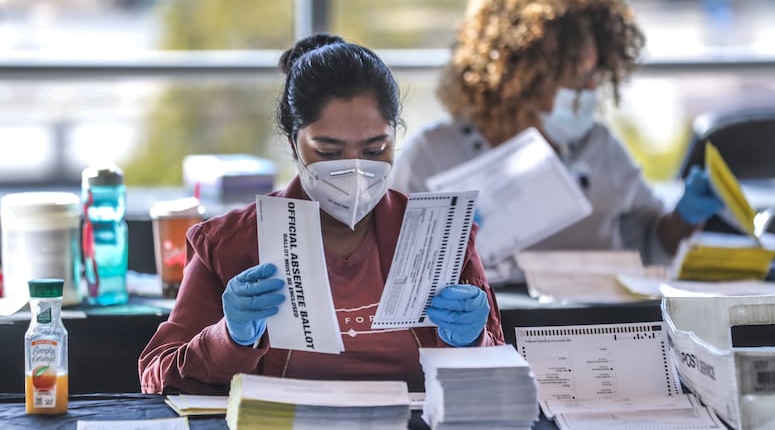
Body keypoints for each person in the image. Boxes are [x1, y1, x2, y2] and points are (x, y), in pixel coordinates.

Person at [138, 33, 505, 395]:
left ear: (395, 138)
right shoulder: (229, 243)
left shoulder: (441, 235)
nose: (355, 170)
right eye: (328, 153)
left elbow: (500, 380)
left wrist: (472, 341)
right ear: (292, 143)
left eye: (375, 149)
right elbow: (157, 377)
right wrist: (231, 337)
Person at [391, 0, 723, 284]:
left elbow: (652, 245)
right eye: (575, 78)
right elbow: (392, 271)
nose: (590, 89)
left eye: (593, 74)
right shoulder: (431, 156)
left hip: (600, 328)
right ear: (521, 78)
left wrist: (685, 217)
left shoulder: (598, 147)